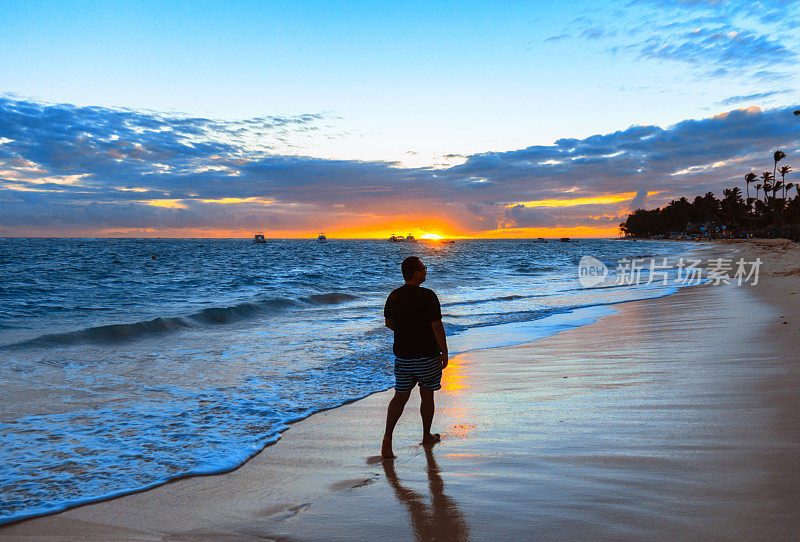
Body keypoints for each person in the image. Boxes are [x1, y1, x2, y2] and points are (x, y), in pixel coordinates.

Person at [382, 256, 448, 458]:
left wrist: (406, 331)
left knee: (400, 396)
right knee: (427, 394)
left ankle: (387, 439)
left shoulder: (394, 295)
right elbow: (437, 326)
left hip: (403, 355)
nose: (426, 271)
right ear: (416, 272)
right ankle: (426, 435)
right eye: (423, 268)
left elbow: (389, 323)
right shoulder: (428, 296)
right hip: (427, 355)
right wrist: (444, 351)